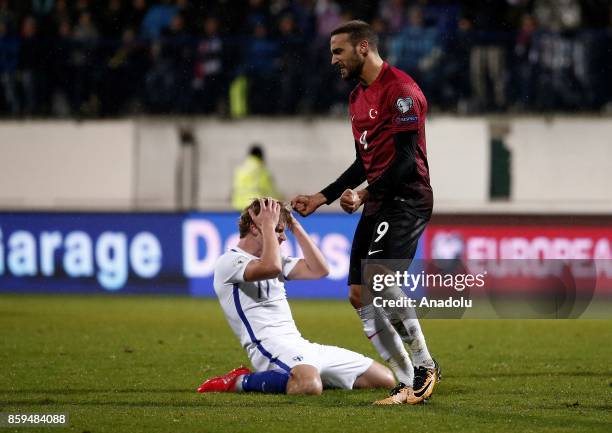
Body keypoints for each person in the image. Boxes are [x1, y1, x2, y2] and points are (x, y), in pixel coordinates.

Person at [291, 20, 440, 405]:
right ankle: (407, 383)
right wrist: (322, 197)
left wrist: (362, 193)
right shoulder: (357, 97)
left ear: (362, 48)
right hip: (378, 200)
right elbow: (365, 159)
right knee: (359, 294)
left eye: (338, 51)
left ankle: (425, 366)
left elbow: (406, 162)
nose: (333, 60)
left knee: (378, 277)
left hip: (407, 197)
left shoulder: (402, 91)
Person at [197, 198, 395, 395]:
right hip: (269, 348)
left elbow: (320, 270)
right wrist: (268, 224)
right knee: (308, 386)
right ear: (255, 228)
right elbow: (271, 267)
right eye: (279, 230)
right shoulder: (229, 262)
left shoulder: (274, 260)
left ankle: (303, 375)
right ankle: (239, 381)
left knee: (384, 379)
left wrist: (295, 225)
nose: (283, 238)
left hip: (302, 346)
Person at [231, 145, 281, 210]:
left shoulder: (239, 169)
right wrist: (280, 199)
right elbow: (271, 192)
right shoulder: (262, 171)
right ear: (261, 156)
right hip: (255, 207)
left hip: (238, 206)